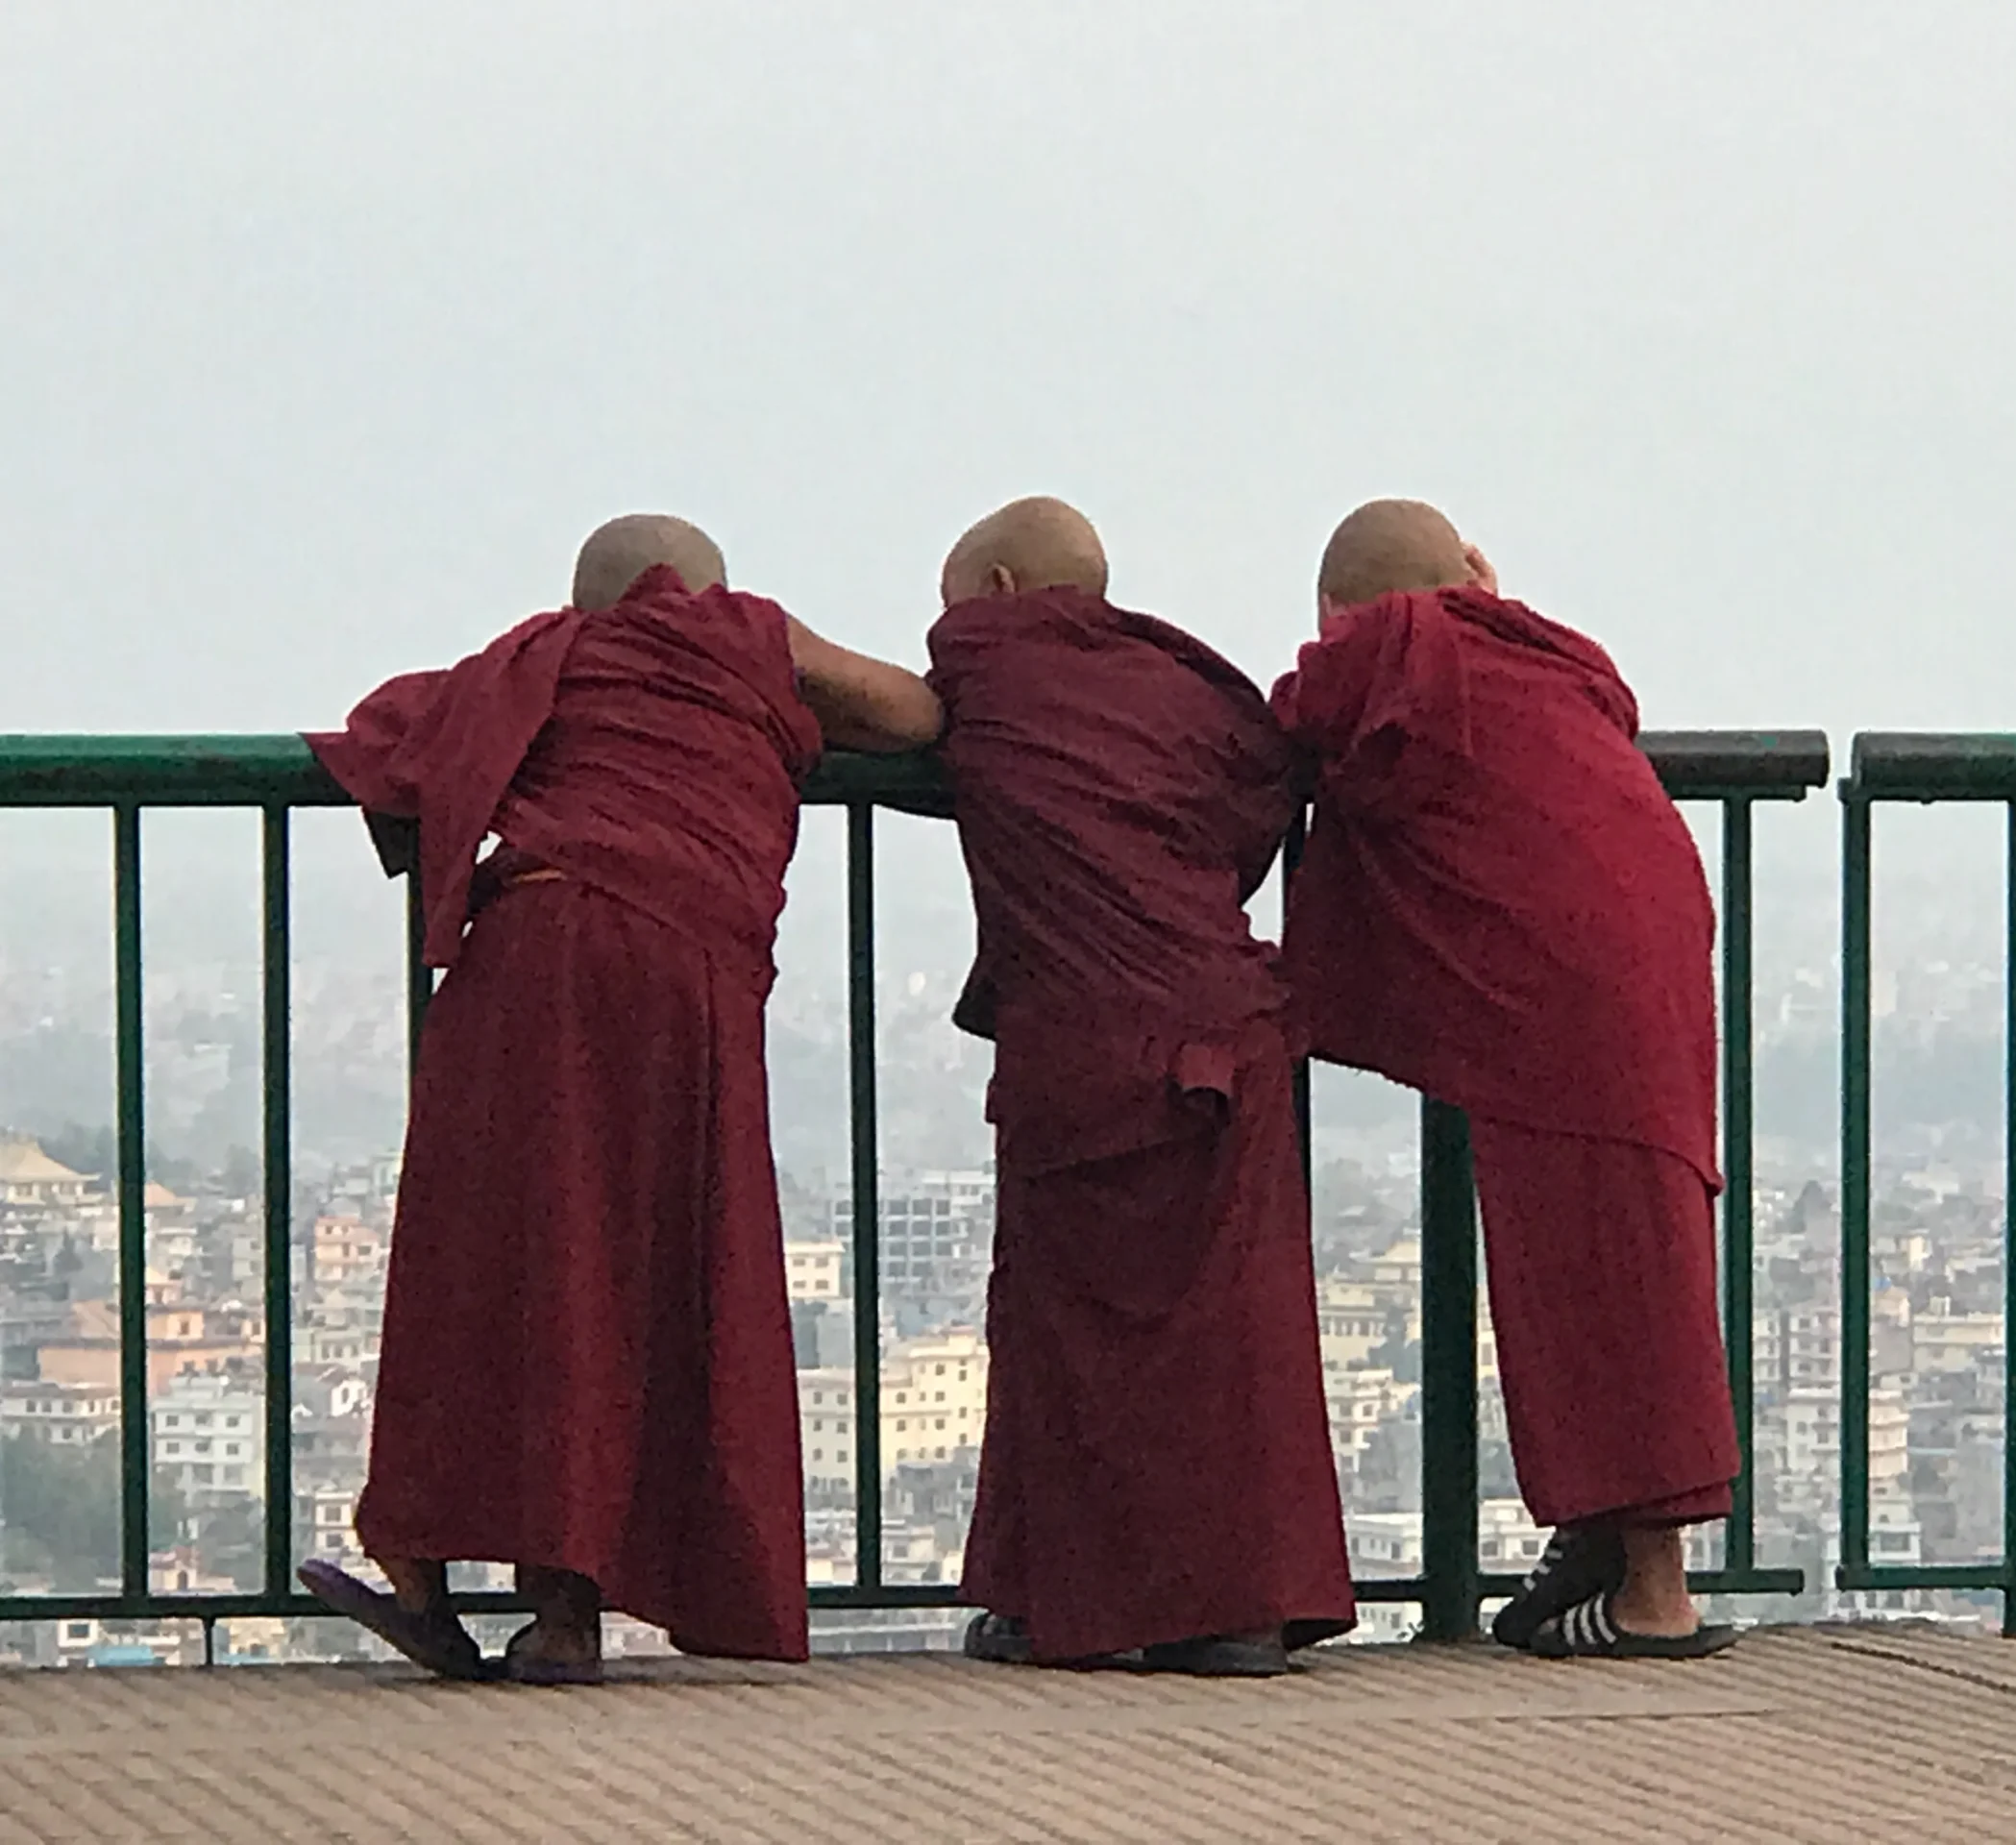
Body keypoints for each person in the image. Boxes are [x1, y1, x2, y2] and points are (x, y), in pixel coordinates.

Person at [298, 514, 942, 1682]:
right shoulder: (750, 642)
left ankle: (422, 1562)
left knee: (485, 1256)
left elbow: (392, 734)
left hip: (531, 949)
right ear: (711, 597)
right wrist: (788, 679)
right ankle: (564, 1611)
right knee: (648, 1267)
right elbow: (914, 713)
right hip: (687, 979)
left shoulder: (544, 657)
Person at [1273, 498, 1740, 1660]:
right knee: (1627, 1243)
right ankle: (1598, 1546)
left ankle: (1650, 1597)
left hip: (1562, 982)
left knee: (1599, 1265)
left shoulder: (1389, 652)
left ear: (1341, 611)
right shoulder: (1537, 656)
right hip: (1652, 942)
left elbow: (1292, 718)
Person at [928, 496, 1354, 1677]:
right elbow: (1255, 791)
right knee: (1239, 1334)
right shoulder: (1181, 690)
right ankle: (1243, 1607)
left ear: (1004, 591)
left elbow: (898, 698)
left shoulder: (993, 668)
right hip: (1227, 1020)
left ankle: (1074, 1606)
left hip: (1090, 1036)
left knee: (1068, 1334)